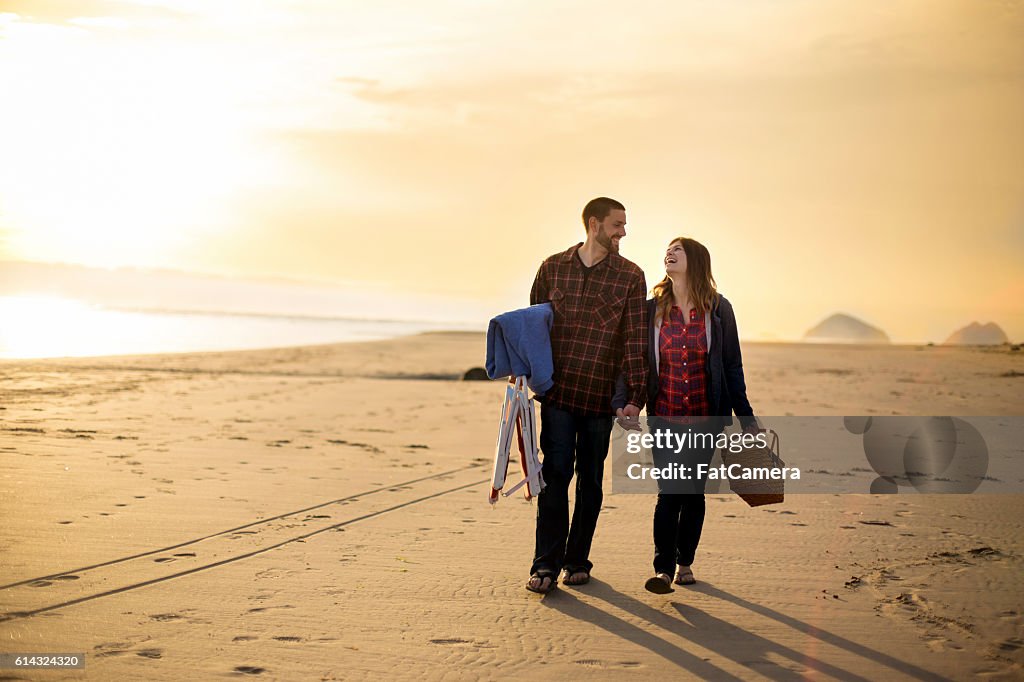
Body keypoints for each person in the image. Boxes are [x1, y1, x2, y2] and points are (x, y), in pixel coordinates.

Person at [612, 237, 758, 594]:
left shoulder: (719, 310)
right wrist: (626, 400)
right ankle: (662, 569)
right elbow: (632, 362)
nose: (670, 253)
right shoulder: (651, 311)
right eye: (668, 249)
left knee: (692, 493)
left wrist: (746, 416)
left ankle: (684, 562)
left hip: (706, 417)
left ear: (696, 261)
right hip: (665, 416)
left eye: (678, 249)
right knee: (669, 492)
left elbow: (731, 365)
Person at [525, 197, 648, 594]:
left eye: (624, 225)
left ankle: (577, 559)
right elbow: (534, 324)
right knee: (555, 477)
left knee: (590, 482)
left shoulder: (631, 276)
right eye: (617, 224)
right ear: (594, 224)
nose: (622, 232)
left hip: (600, 398)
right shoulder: (552, 267)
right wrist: (524, 368)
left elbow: (635, 340)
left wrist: (635, 396)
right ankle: (545, 564)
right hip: (558, 394)